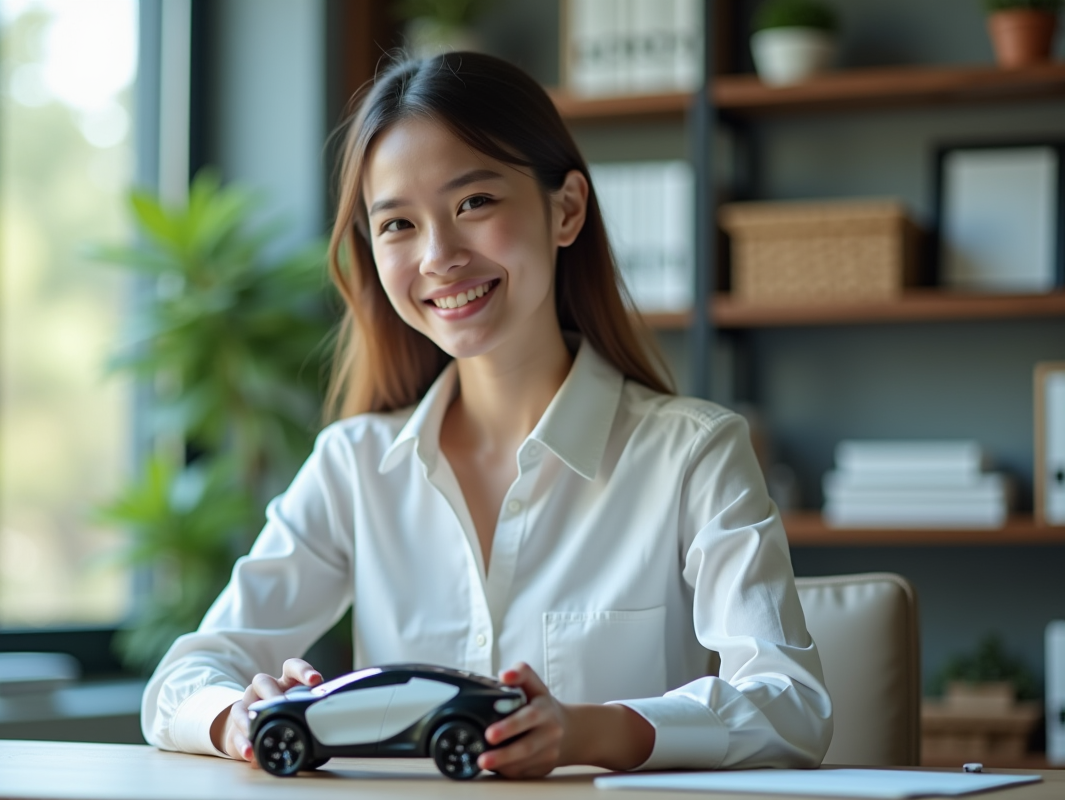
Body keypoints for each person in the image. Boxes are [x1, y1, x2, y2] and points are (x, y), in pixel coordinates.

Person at [141, 51, 833, 778]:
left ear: (565, 208)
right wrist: (240, 719)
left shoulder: (693, 454)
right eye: (399, 225)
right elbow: (180, 684)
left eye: (474, 203)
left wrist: (586, 732)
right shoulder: (354, 466)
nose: (439, 256)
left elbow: (790, 706)